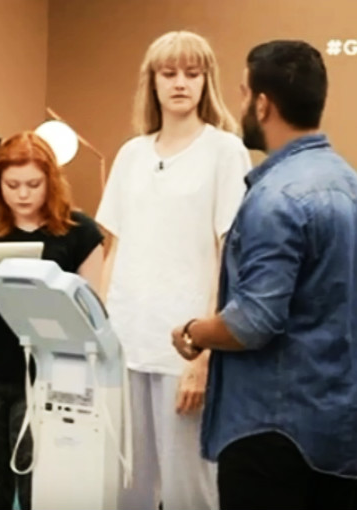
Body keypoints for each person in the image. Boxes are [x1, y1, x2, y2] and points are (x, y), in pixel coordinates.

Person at [172, 40, 357, 510]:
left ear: (263, 104)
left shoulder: (276, 198)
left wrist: (193, 332)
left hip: (271, 430)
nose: (242, 105)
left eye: (244, 94)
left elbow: (252, 323)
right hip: (339, 428)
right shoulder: (354, 188)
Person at [96, 30, 251, 510]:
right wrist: (99, 337)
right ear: (153, 81)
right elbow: (115, 250)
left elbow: (229, 259)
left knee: (190, 492)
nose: (180, 83)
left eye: (192, 73)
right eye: (169, 73)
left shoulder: (225, 151)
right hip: (125, 345)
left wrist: (204, 356)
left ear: (207, 81)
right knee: (126, 490)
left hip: (185, 347)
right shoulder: (131, 154)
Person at [0, 131, 104, 510]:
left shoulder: (81, 232)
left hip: (48, 377)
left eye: (33, 184)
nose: (23, 195)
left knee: (40, 483)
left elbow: (94, 312)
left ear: (51, 182)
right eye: (12, 185)